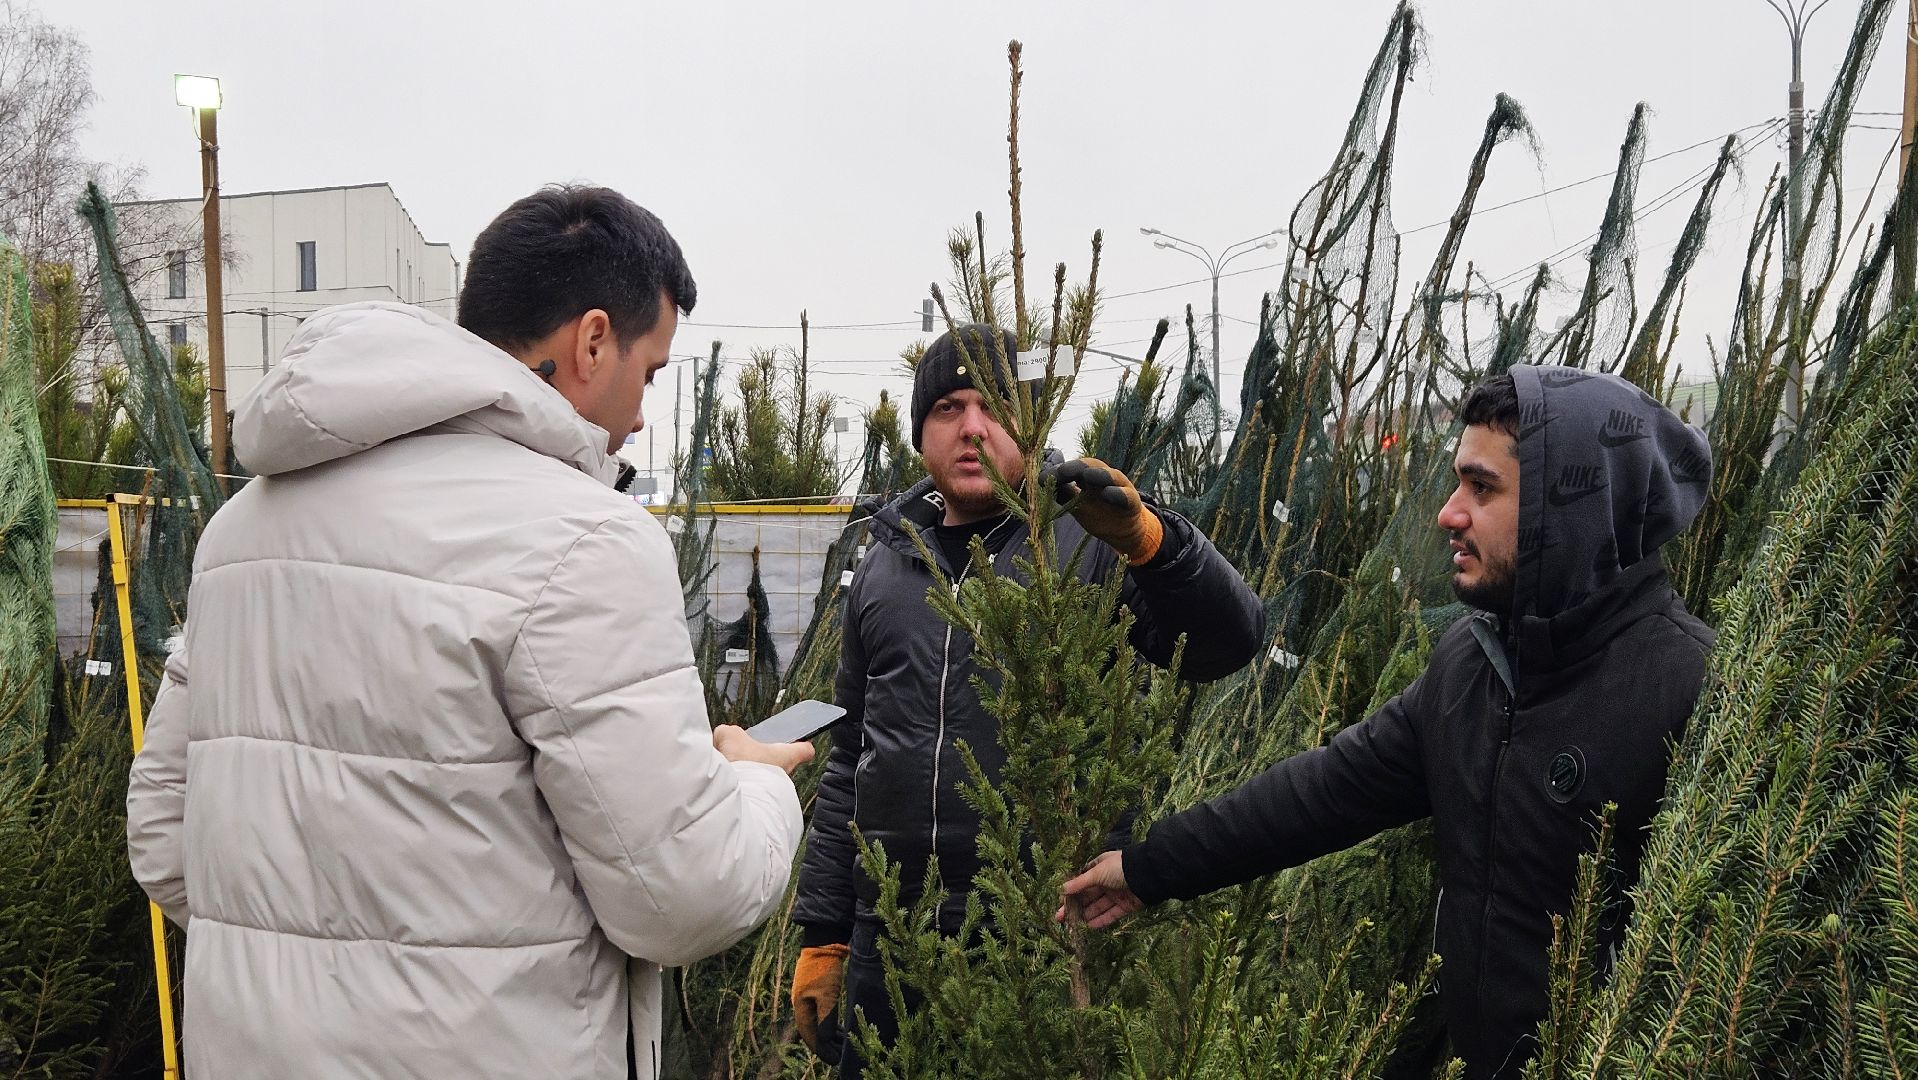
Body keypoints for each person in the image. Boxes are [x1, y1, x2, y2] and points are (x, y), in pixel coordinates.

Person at [125, 185, 813, 1080]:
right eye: (649, 372)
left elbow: (163, 837)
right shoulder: (583, 539)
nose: (642, 413)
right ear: (592, 340)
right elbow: (677, 897)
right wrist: (756, 790)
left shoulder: (241, 533)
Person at [1061, 366, 1715, 1079]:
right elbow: (1323, 794)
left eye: (1483, 487)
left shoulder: (1692, 690)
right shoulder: (1474, 666)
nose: (1448, 512)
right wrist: (1148, 868)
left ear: (1575, 506)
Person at [788, 323, 1265, 1076]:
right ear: (921, 432)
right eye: (948, 407)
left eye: (995, 406)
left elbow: (1228, 644)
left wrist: (1150, 543)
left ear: (1031, 422)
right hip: (894, 934)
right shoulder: (883, 562)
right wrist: (825, 931)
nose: (972, 427)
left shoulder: (1083, 543)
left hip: (1043, 933)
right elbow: (851, 756)